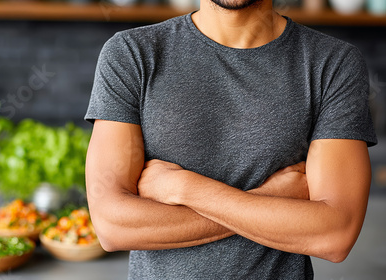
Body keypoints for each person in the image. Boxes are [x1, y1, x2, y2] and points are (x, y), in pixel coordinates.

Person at [84, 0, 377, 278]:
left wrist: (183, 188)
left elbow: (335, 234)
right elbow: (111, 226)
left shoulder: (333, 64)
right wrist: (268, 198)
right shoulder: (131, 54)